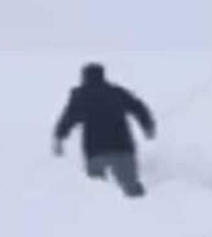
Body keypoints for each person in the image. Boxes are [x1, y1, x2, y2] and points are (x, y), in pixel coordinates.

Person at [52, 62, 156, 197]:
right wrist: (148, 127)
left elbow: (68, 118)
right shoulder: (117, 92)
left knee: (97, 195)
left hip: (96, 152)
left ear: (84, 77)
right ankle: (144, 211)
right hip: (123, 148)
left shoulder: (81, 96)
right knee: (132, 190)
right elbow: (138, 107)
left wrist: (59, 138)